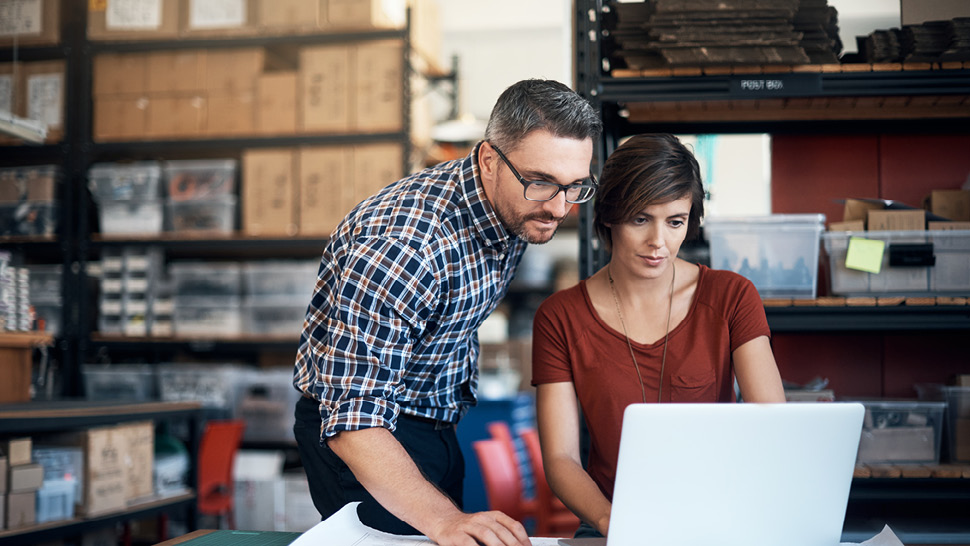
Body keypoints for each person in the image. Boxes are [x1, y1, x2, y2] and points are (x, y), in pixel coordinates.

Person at [292, 78, 602, 546]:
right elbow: (353, 417)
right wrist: (443, 520)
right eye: (541, 183)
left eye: (575, 186)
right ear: (489, 161)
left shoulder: (516, 207)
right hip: (370, 436)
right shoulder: (405, 247)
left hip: (436, 421)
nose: (559, 208)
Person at [531, 133, 786, 538]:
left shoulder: (732, 297)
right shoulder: (560, 318)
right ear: (610, 216)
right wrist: (608, 519)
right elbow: (561, 458)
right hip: (611, 524)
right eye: (640, 219)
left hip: (719, 521)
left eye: (675, 222)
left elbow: (773, 427)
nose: (658, 243)